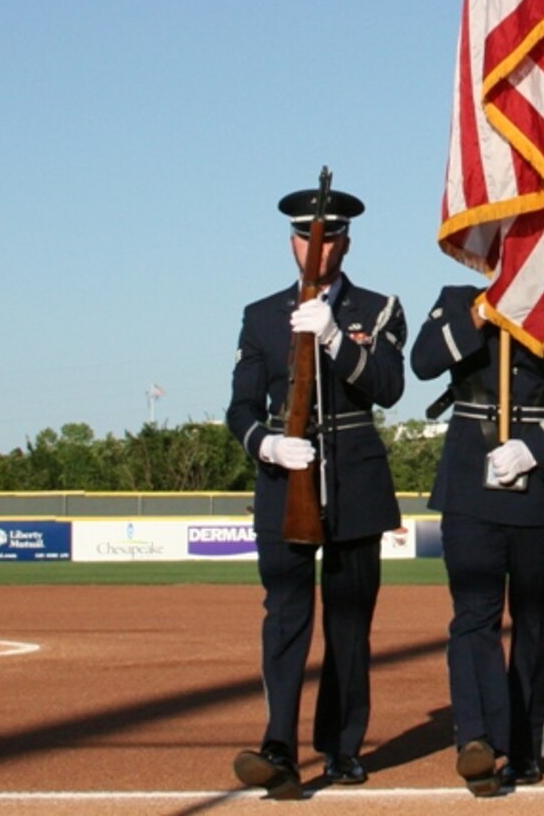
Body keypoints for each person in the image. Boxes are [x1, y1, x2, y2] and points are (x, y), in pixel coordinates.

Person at [229, 186, 407, 798]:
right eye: (306, 236)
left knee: (350, 624)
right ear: (291, 242)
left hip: (354, 480)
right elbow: (241, 407)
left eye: (328, 237)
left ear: (345, 243)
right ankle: (279, 742)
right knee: (284, 618)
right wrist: (266, 444)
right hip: (285, 479)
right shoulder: (259, 315)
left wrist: (334, 338)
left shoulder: (378, 309)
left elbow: (387, 387)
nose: (316, 247)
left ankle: (342, 747)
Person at [409, 275, 544, 793]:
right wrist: (482, 312)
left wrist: (537, 449)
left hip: (541, 487)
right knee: (473, 617)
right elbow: (425, 361)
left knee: (536, 622)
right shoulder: (458, 300)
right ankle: (477, 740)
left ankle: (524, 748)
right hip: (470, 482)